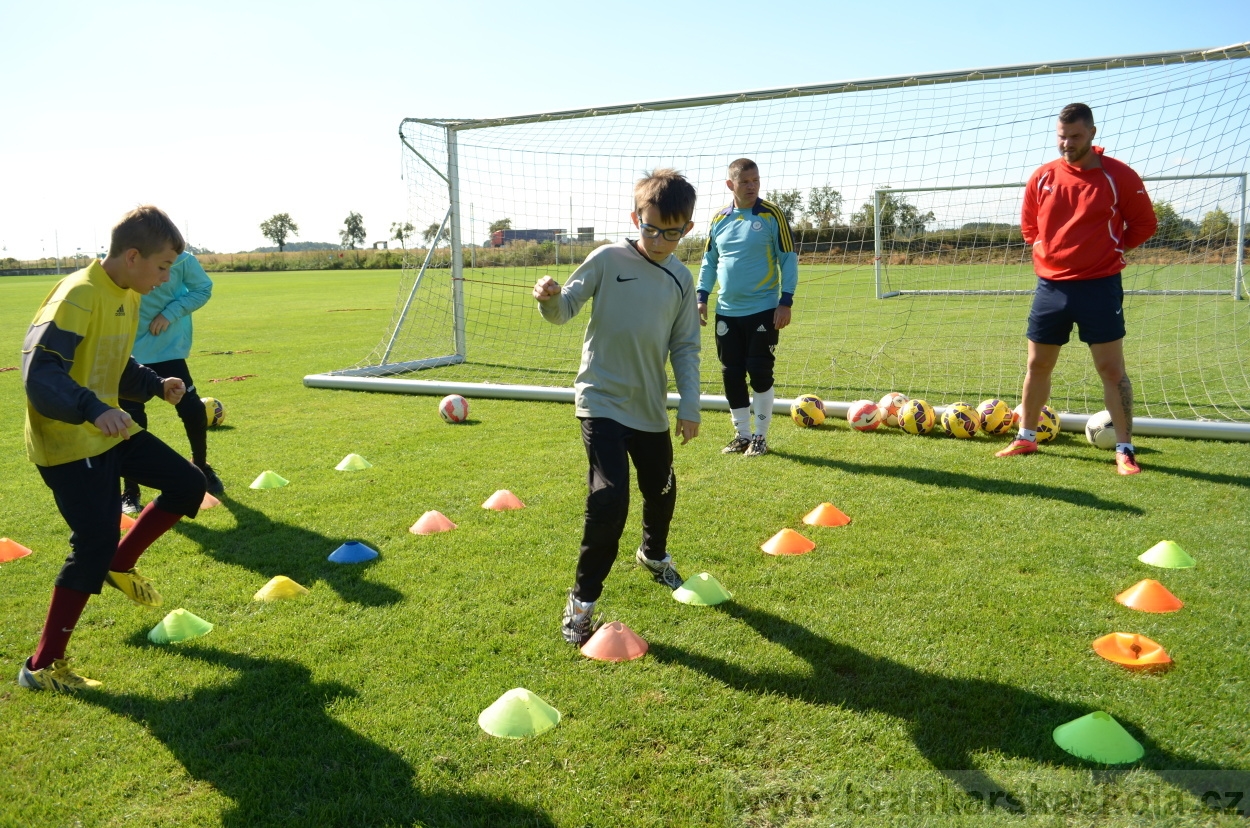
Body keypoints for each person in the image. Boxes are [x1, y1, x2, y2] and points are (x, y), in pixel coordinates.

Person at [18, 205, 208, 692]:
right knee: (92, 545)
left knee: (188, 484)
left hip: (108, 429)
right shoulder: (79, 295)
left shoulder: (125, 293)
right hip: (68, 442)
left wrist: (152, 382)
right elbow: (40, 374)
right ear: (131, 255)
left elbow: (112, 363)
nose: (166, 279)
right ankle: (40, 666)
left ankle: (120, 565)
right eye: (163, 267)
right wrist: (92, 408)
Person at [533, 169, 701, 645]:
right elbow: (564, 308)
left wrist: (689, 405)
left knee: (662, 489)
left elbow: (685, 346)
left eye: (672, 231)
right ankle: (582, 602)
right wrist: (547, 298)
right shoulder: (607, 258)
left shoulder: (681, 279)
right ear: (636, 217)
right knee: (609, 499)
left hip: (649, 409)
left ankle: (654, 554)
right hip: (600, 400)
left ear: (687, 228)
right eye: (651, 228)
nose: (660, 239)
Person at [997, 103, 1157, 475]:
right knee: (1038, 364)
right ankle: (1026, 436)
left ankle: (1125, 448)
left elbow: (1144, 224)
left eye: (1075, 137)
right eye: (1062, 137)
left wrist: (1109, 251)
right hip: (1050, 287)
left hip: (1100, 287)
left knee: (1110, 369)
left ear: (1092, 134)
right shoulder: (1042, 177)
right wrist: (1044, 252)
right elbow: (1029, 228)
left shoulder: (1119, 176)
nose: (1067, 144)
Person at [697, 158, 798, 457]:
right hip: (727, 311)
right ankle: (741, 434)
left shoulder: (771, 215)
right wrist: (701, 296)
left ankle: (760, 437)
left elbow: (788, 258)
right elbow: (710, 261)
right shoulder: (718, 219)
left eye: (755, 180)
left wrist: (785, 301)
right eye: (745, 181)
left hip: (763, 309)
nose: (752, 186)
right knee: (731, 372)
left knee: (759, 370)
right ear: (731, 185)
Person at [120, 250, 223, 515]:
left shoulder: (184, 258)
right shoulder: (125, 255)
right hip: (127, 351)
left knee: (191, 409)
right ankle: (130, 490)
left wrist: (170, 313)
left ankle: (201, 466)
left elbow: (203, 288)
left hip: (167, 348)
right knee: (130, 420)